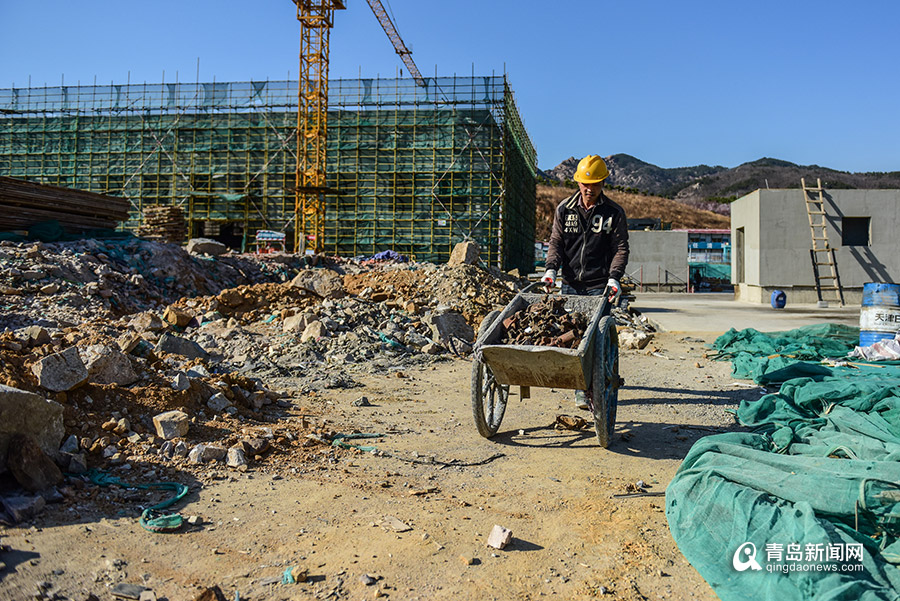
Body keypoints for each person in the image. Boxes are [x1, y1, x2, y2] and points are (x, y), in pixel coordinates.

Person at [541, 154, 629, 410]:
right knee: (573, 335)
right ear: (578, 182)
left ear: (603, 183)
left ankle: (591, 387)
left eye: (595, 184)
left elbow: (620, 248)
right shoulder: (564, 209)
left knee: (594, 338)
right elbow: (556, 242)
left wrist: (614, 277)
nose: (589, 189)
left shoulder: (613, 213)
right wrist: (551, 270)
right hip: (570, 283)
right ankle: (580, 386)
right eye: (585, 184)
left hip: (599, 285)